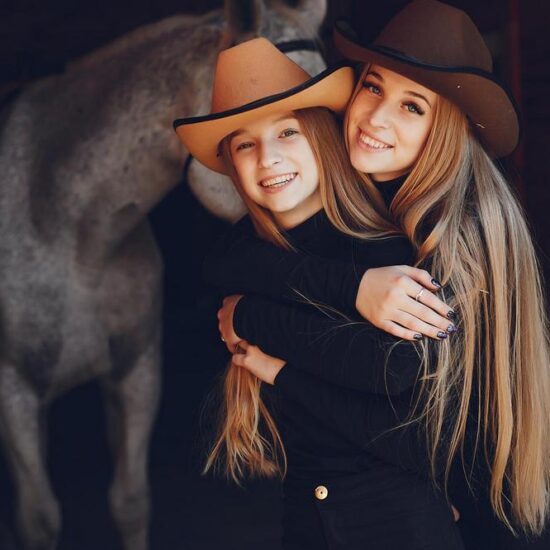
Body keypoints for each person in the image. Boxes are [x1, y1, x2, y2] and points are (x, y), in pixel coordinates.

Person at [189, 1, 550, 548]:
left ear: (445, 128)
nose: (377, 118)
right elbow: (233, 257)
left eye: (413, 106)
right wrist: (347, 291)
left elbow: (399, 375)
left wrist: (256, 320)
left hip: (475, 505)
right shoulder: (372, 195)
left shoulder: (453, 232)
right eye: (374, 87)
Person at [174, 36, 467, 549]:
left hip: (398, 527)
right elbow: (220, 261)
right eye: (244, 144)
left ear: (321, 138)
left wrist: (276, 366)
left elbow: (404, 410)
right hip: (305, 520)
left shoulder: (384, 253)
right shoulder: (245, 265)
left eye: (287, 132)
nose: (268, 158)